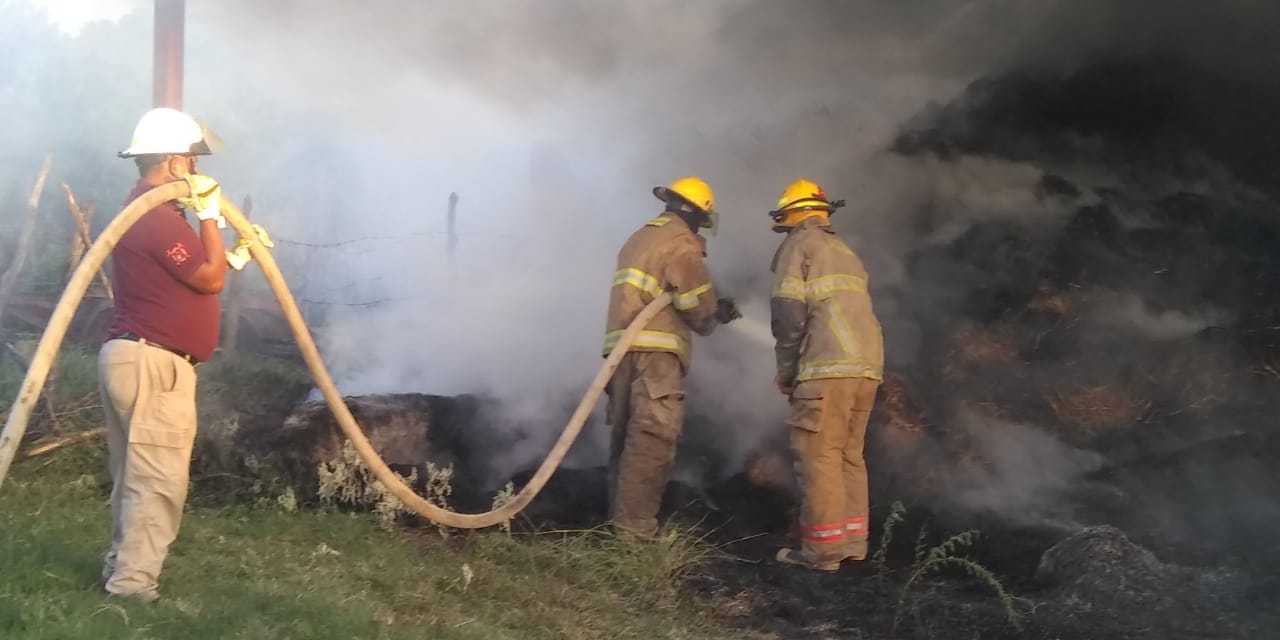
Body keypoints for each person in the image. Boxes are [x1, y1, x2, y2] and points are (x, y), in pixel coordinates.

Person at [99, 107, 238, 601]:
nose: (199, 171)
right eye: (193, 161)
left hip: (141, 357)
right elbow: (210, 278)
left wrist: (233, 249)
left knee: (136, 476)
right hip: (153, 362)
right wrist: (210, 218)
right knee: (157, 480)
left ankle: (122, 570)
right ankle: (132, 588)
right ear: (176, 165)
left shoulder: (156, 216)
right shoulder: (154, 218)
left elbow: (198, 277)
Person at [603, 176, 741, 538]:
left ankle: (620, 521)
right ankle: (635, 531)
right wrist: (714, 314)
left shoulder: (641, 237)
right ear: (697, 213)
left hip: (621, 352)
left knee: (625, 439)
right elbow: (694, 299)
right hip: (656, 352)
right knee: (652, 439)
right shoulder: (680, 241)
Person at [768, 179, 884, 572]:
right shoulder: (844, 251)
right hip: (866, 369)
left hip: (826, 369)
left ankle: (821, 554)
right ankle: (853, 544)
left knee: (818, 456)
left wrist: (787, 370)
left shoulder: (798, 246)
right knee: (849, 455)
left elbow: (788, 315)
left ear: (794, 216)